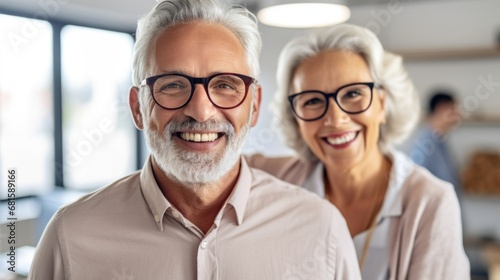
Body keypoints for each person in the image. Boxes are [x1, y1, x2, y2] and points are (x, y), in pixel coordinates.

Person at [28, 1, 361, 279]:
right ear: (137, 108)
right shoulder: (70, 237)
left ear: (254, 105)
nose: (201, 111)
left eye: (225, 85)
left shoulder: (321, 229)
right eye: (173, 84)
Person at [246, 24, 470, 279]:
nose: (335, 118)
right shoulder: (272, 177)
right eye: (312, 100)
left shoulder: (429, 202)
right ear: (295, 118)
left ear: (382, 104)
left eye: (353, 93)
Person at [407, 91, 462, 197]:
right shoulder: (424, 144)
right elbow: (413, 184)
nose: (458, 114)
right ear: (442, 109)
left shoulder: (440, 141)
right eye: (454, 109)